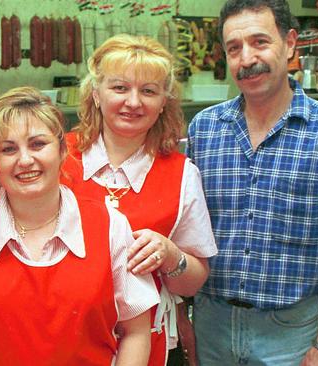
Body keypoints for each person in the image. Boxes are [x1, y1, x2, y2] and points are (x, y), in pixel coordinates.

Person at [0, 86, 160, 366]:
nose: (25, 160)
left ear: (61, 150)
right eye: (8, 149)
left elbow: (136, 332)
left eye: (37, 144)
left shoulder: (110, 227)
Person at [187, 0, 318, 365]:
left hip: (290, 331)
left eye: (260, 42)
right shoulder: (204, 129)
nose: (246, 59)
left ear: (289, 43)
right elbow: (187, 231)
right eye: (234, 48)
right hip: (211, 321)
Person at [61, 34, 217, 366]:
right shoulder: (58, 157)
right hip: (62, 338)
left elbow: (193, 282)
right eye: (120, 88)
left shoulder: (182, 173)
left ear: (164, 102)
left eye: (148, 91)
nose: (133, 102)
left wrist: (171, 254)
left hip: (152, 345)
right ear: (96, 94)